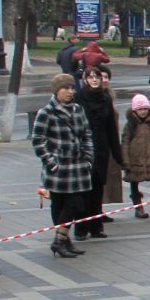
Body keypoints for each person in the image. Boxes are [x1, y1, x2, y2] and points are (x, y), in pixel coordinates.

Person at [30, 73, 92, 259]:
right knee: (59, 204)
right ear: (56, 91)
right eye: (65, 88)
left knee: (75, 204)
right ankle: (63, 241)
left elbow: (86, 135)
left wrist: (89, 158)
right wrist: (51, 162)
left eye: (72, 88)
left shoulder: (78, 109)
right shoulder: (46, 112)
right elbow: (37, 141)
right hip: (58, 168)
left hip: (78, 166)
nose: (70, 92)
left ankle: (59, 240)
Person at [75, 65, 120, 239]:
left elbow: (111, 129)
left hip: (101, 149)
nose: (95, 80)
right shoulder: (79, 99)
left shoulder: (105, 99)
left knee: (97, 189)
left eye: (97, 77)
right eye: (91, 77)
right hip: (83, 150)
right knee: (83, 190)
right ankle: (81, 227)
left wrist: (117, 154)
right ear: (85, 79)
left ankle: (96, 226)